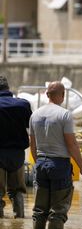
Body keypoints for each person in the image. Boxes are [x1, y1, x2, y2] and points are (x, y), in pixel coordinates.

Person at [29, 81, 82, 229]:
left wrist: (39, 163)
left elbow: (33, 145)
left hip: (41, 163)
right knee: (57, 212)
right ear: (62, 95)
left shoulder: (34, 114)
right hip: (59, 165)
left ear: (46, 94)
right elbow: (72, 145)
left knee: (39, 210)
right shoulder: (64, 115)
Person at [0, 75, 32, 218]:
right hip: (17, 155)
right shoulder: (22, 105)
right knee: (17, 191)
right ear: (8, 88)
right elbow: (29, 125)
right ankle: (19, 221)